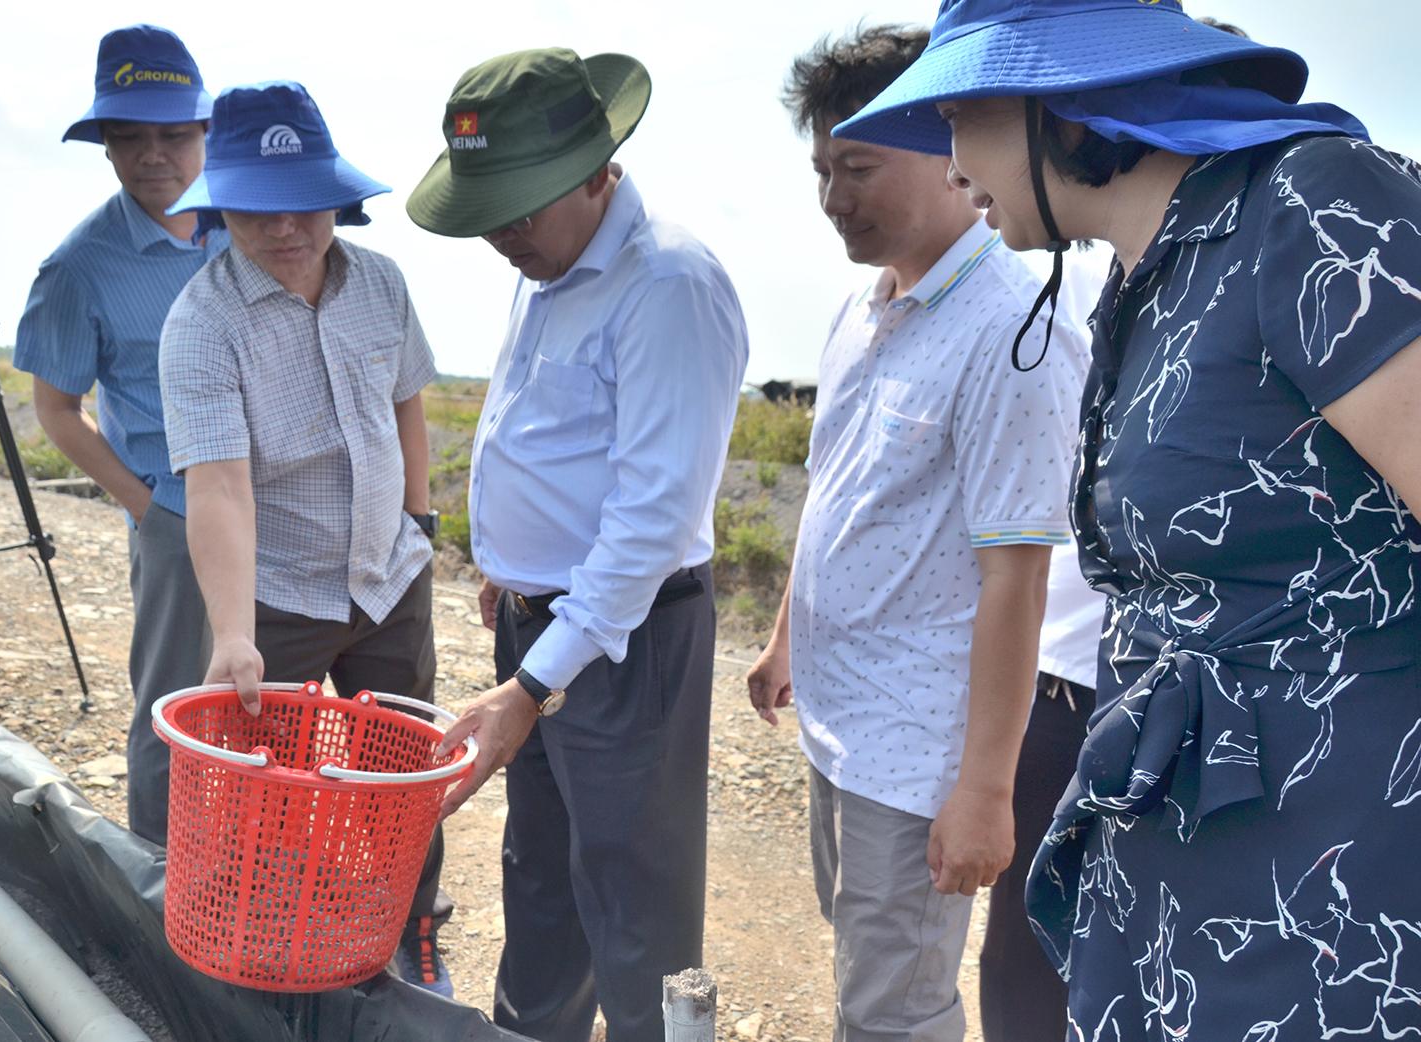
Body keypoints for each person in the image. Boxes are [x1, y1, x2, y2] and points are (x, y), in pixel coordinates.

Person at [836, 1, 1421, 1036]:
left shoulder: (1307, 204)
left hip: (1332, 861)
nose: (950, 159)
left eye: (962, 113)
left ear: (1054, 101)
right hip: (1184, 839)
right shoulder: (1148, 270)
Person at [746, 26, 1087, 1041]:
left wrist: (985, 788)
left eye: (856, 166)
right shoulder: (865, 306)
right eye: (820, 169)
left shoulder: (1013, 331)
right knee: (862, 965)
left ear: (953, 151)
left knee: (894, 1007)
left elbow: (1017, 581)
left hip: (918, 750)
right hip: (842, 722)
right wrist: (782, 637)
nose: (831, 196)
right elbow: (837, 489)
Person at [408, 49, 749, 1042]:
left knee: (633, 904)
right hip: (545, 627)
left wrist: (529, 684)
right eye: (490, 215)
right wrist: (508, 580)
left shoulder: (667, 285)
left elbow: (650, 518)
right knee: (544, 878)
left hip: (622, 641)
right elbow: (551, 442)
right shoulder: (550, 264)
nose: (502, 237)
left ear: (600, 169)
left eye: (519, 211)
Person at [157, 81, 454, 996]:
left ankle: (410, 932)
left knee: (402, 783)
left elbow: (407, 403)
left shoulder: (382, 284)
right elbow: (218, 484)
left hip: (385, 579)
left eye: (304, 206)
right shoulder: (202, 325)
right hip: (280, 590)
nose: (286, 229)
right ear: (222, 206)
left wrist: (420, 521)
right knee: (264, 793)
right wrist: (233, 631)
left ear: (336, 195)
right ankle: (265, 954)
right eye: (255, 210)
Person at [14, 24, 225, 847]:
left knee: (268, 697)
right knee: (174, 706)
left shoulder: (248, 230)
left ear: (206, 134)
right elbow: (57, 408)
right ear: (104, 146)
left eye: (175, 133)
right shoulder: (81, 266)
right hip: (176, 512)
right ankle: (162, 884)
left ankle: (246, 875)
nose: (154, 155)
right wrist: (147, 508)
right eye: (130, 137)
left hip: (277, 507)